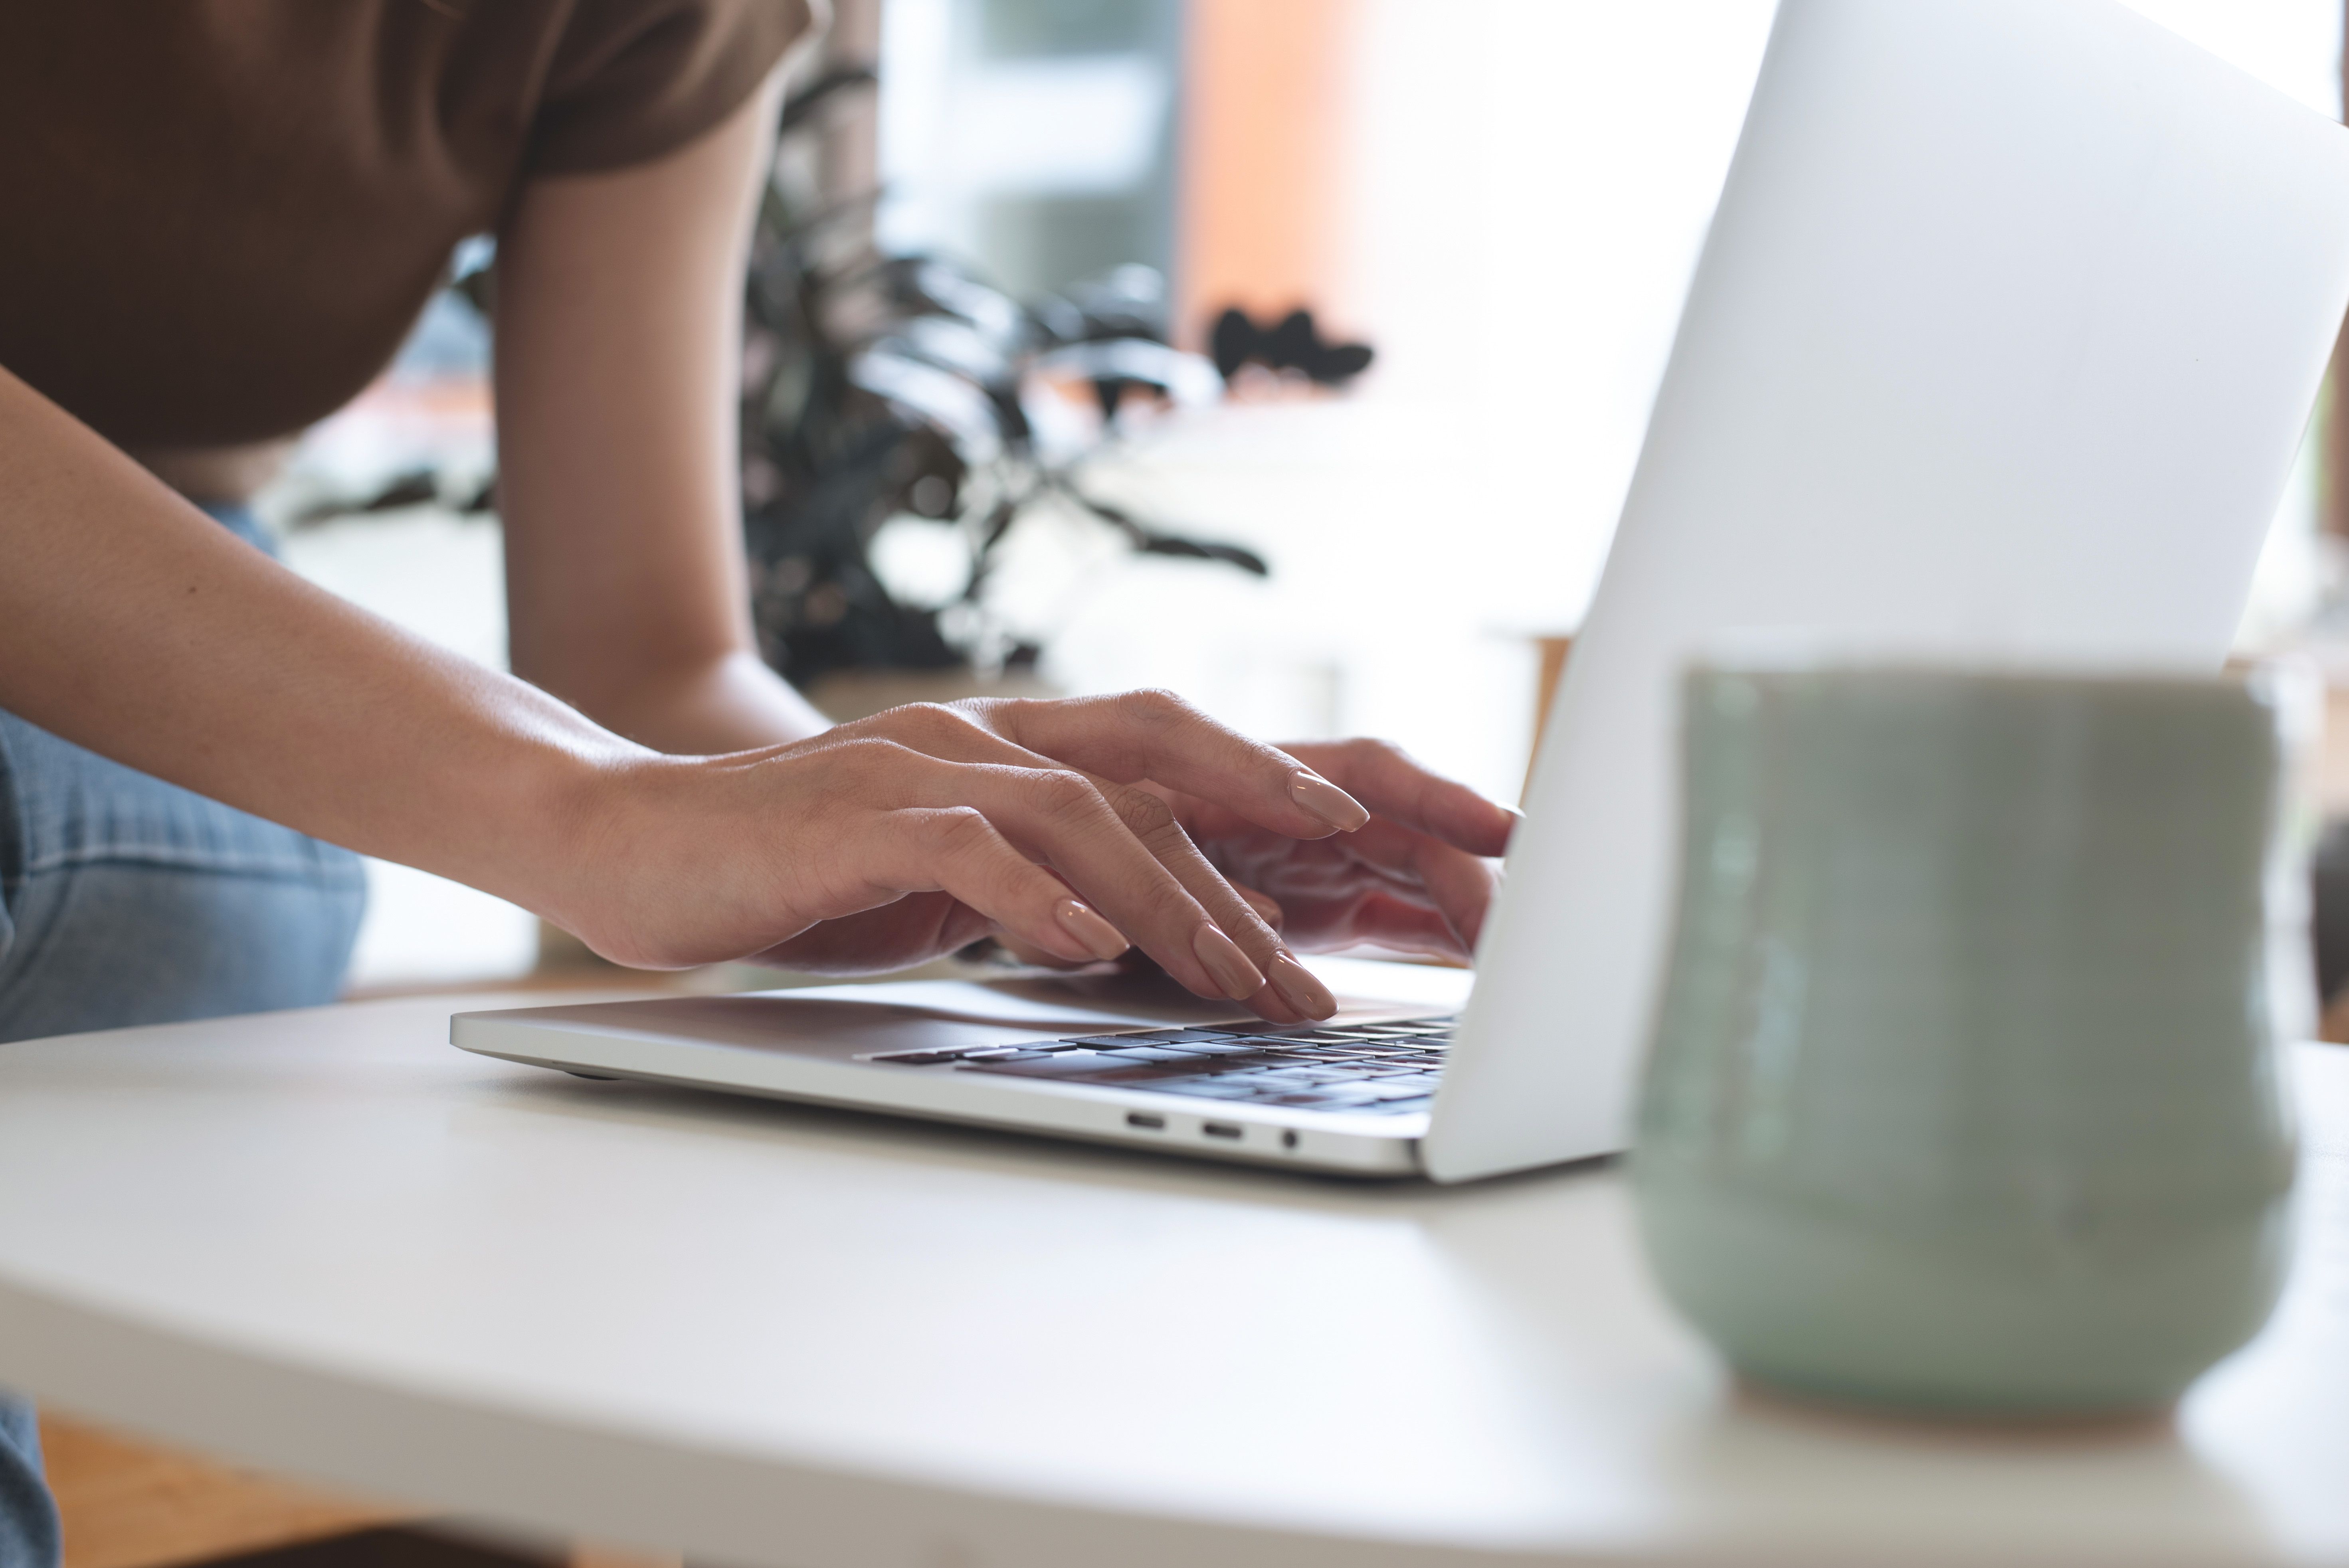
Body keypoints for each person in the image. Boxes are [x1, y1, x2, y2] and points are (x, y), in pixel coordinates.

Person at [0, 4, 1514, 1560]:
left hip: (194, 676)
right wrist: (581, 811)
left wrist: (989, 830)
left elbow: (643, 658)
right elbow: (597, 769)